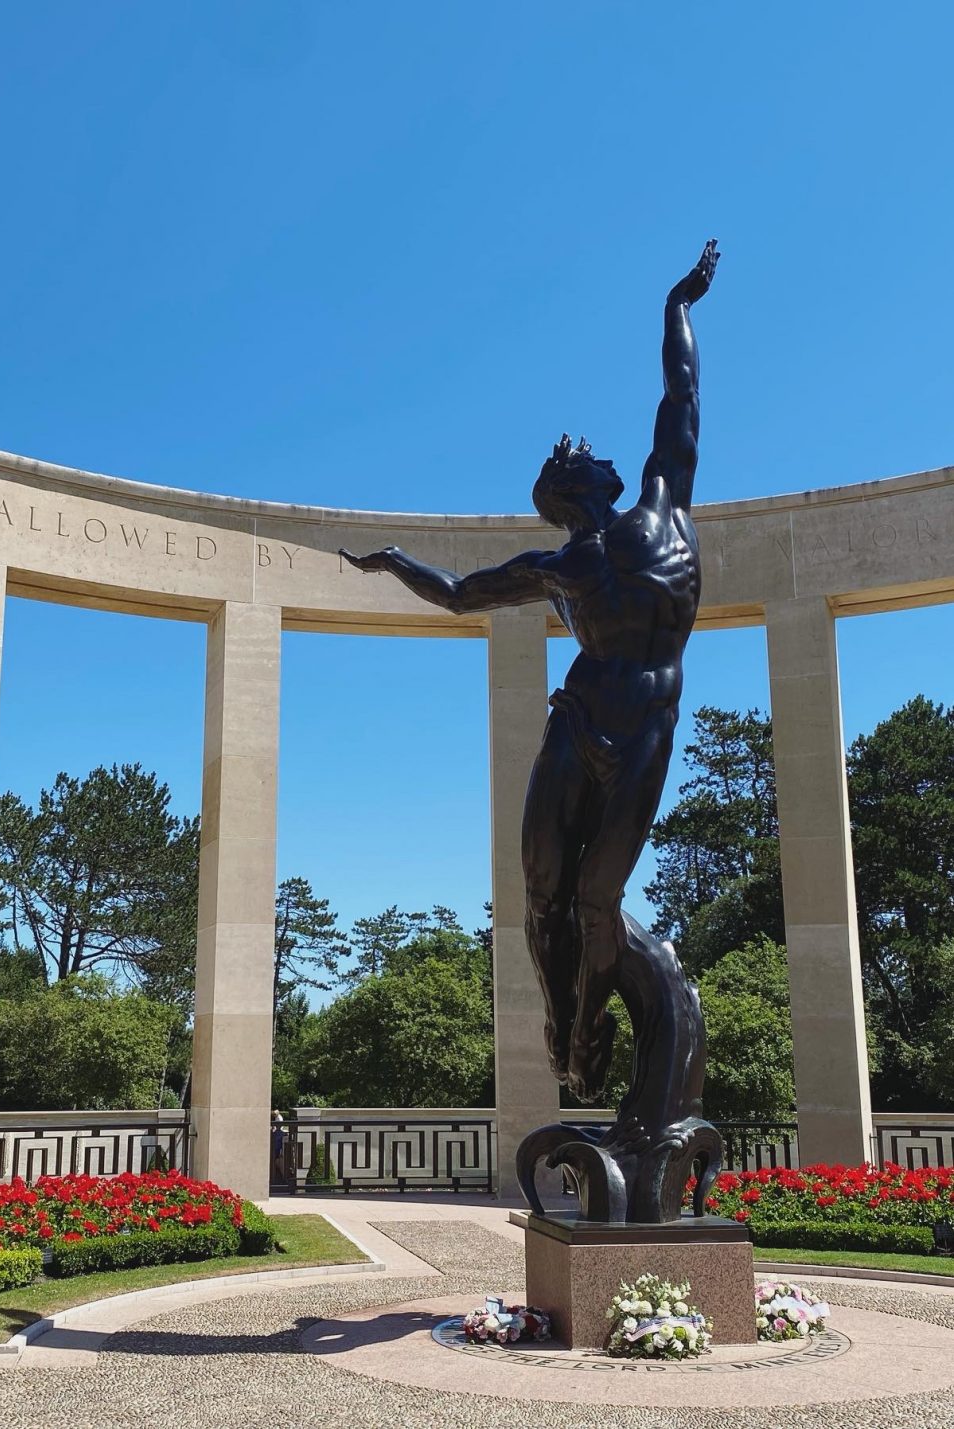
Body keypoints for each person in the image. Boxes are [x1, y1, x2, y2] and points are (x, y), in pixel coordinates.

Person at [341, 240, 720, 1102]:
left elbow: (681, 394)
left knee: (597, 900)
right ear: (568, 483)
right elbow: (459, 594)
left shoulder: (667, 500)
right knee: (540, 891)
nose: (597, 450)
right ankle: (565, 1024)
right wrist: (395, 559)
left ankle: (587, 1026)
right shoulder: (555, 566)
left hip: (645, 729)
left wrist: (677, 305)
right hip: (577, 721)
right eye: (580, 454)